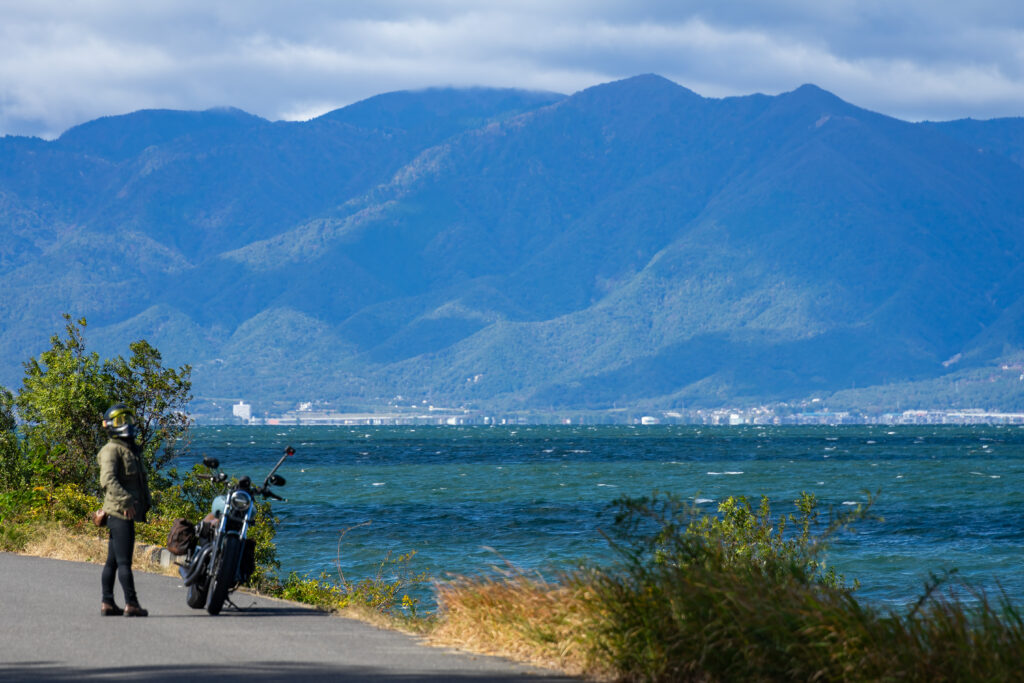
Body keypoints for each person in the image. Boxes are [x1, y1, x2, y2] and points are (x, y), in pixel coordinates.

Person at [98, 403, 152, 617]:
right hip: (120, 512)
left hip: (124, 512)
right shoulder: (111, 450)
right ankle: (132, 603)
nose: (127, 425)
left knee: (112, 560)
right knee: (123, 562)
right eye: (121, 420)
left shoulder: (129, 449)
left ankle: (108, 603)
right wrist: (126, 501)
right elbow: (107, 479)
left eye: (129, 419)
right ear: (110, 425)